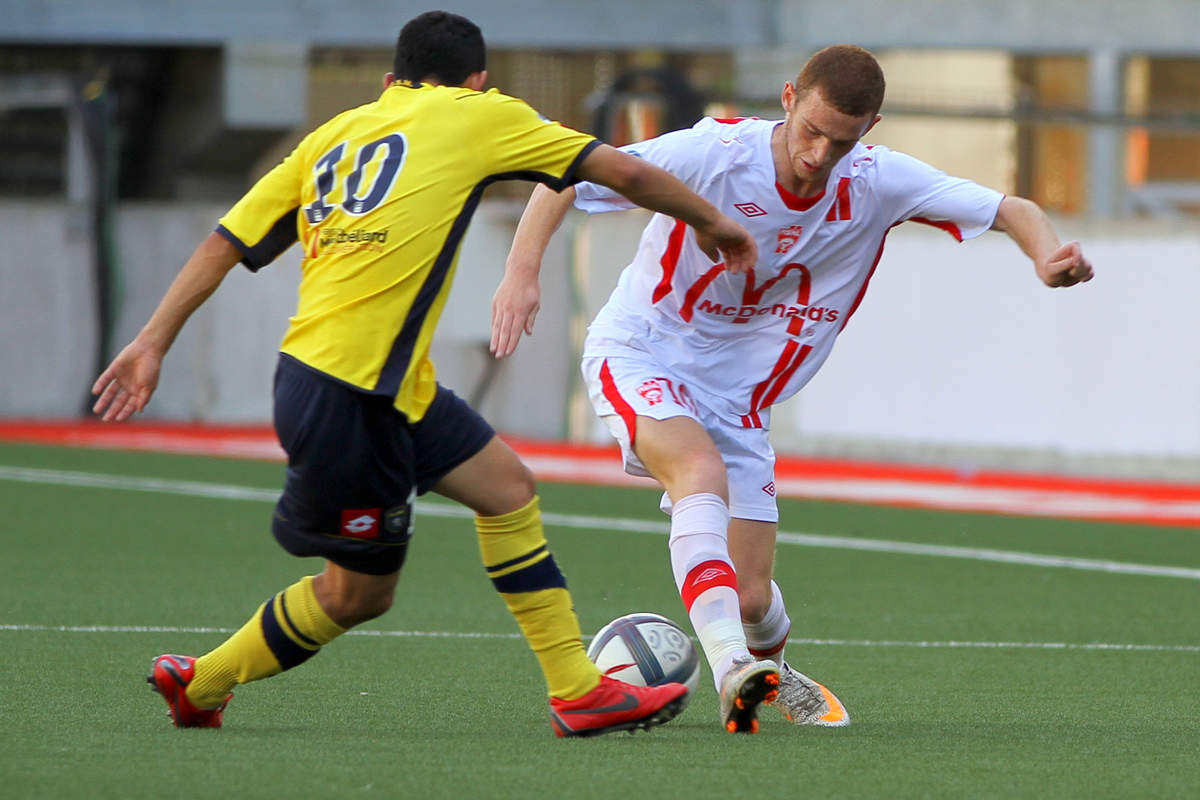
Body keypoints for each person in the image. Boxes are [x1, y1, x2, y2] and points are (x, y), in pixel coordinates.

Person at [91, 10, 757, 738]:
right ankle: (205, 681)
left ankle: (577, 689)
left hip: (369, 384)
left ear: (390, 81)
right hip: (352, 397)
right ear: (478, 81)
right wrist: (717, 224)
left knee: (507, 489)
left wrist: (151, 342)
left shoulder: (333, 135)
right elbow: (624, 170)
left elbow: (227, 241)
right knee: (357, 595)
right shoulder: (479, 113)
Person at [491, 44, 1094, 734]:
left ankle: (768, 666)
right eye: (810, 130)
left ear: (869, 128)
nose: (817, 153)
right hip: (644, 352)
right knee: (699, 472)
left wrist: (1047, 254)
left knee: (750, 598)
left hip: (741, 402)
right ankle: (730, 670)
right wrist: (522, 271)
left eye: (840, 140)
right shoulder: (714, 154)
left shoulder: (879, 180)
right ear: (787, 98)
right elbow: (564, 172)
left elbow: (1009, 206)